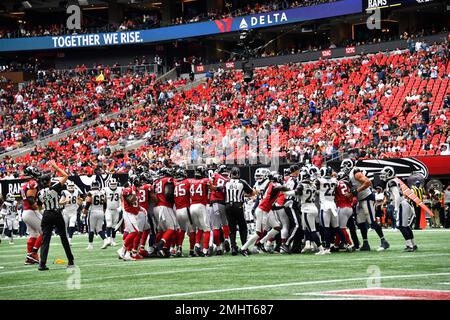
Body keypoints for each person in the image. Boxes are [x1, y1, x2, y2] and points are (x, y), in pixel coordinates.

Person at [340, 159, 390, 251]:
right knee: (360, 222)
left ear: (348, 165)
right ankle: (365, 243)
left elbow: (368, 182)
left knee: (371, 220)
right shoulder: (350, 174)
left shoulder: (356, 172)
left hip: (367, 197)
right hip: (361, 199)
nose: (343, 169)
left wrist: (356, 191)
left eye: (344, 166)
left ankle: (384, 241)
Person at [37, 160, 74, 271]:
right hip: (56, 213)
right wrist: (55, 166)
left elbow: (39, 207)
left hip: (46, 214)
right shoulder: (54, 188)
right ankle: (70, 260)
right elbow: (66, 175)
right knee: (63, 237)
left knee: (45, 240)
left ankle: (42, 264)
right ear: (49, 181)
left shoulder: (39, 193)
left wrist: (45, 211)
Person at [380, 166, 417, 251]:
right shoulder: (395, 180)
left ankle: (409, 246)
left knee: (401, 226)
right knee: (405, 226)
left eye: (384, 174)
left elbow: (396, 195)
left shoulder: (391, 182)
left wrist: (396, 208)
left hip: (400, 204)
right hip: (403, 203)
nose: (383, 176)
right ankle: (413, 244)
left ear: (390, 174)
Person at [224, 167, 255, 255]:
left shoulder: (226, 182)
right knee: (243, 227)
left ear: (231, 174)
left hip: (228, 206)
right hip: (238, 205)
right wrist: (244, 194)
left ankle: (233, 247)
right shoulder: (242, 182)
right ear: (238, 174)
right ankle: (244, 247)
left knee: (232, 228)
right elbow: (252, 193)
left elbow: (221, 190)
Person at [21, 166, 43, 265]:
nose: (37, 173)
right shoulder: (32, 183)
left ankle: (29, 258)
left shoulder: (25, 184)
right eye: (35, 171)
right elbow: (30, 199)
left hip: (25, 212)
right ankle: (33, 254)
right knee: (45, 231)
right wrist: (37, 208)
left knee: (33, 235)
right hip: (31, 211)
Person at [60, 181, 82, 246]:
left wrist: (79, 203)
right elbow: (60, 202)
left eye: (72, 186)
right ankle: (65, 240)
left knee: (72, 225)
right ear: (67, 187)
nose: (71, 187)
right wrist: (65, 201)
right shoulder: (65, 192)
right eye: (70, 186)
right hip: (66, 211)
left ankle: (69, 240)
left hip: (73, 212)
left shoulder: (76, 192)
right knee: (65, 226)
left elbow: (79, 202)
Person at [103, 178, 122, 247]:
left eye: (114, 184)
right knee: (109, 224)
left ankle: (113, 240)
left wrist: (121, 206)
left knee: (114, 226)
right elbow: (103, 199)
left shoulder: (120, 189)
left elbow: (121, 198)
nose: (113, 185)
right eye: (112, 184)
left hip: (116, 210)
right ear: (109, 184)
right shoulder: (106, 190)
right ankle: (108, 239)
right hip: (108, 210)